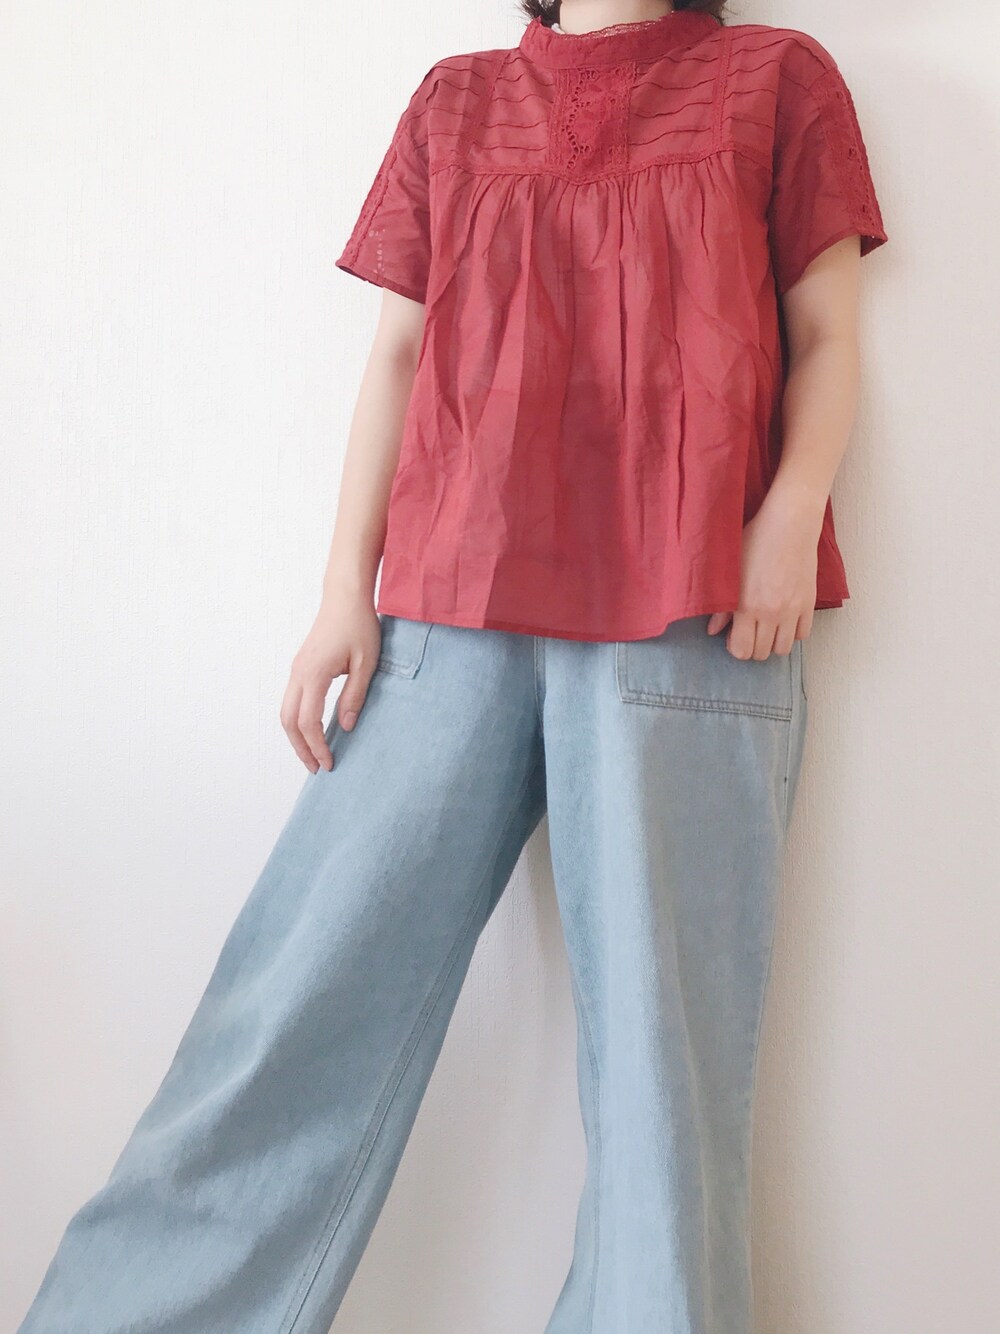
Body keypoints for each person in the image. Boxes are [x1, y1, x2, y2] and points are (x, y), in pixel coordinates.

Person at [18, 1, 888, 1331]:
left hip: (694, 614)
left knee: (666, 1075)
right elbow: (396, 355)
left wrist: (788, 517)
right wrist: (340, 595)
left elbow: (828, 334)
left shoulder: (776, 79)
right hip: (448, 603)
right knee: (294, 1009)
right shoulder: (455, 100)